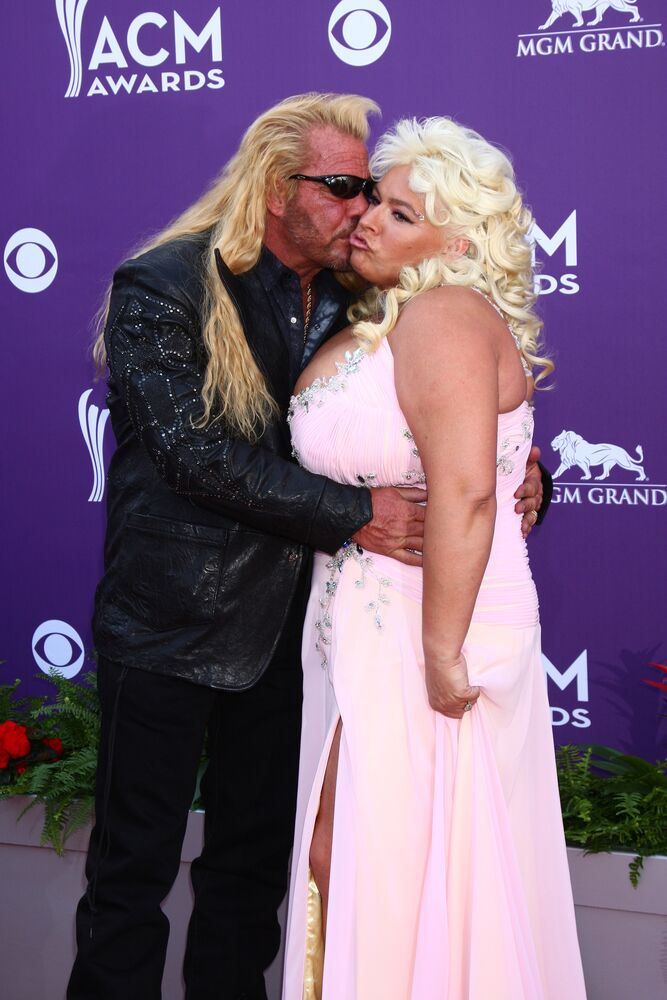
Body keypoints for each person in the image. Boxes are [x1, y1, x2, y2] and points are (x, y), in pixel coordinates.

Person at [68, 95, 545, 1000]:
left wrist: (526, 471)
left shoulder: (365, 288)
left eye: (370, 191)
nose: (360, 209)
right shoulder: (164, 284)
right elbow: (193, 453)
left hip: (300, 636)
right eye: (341, 187)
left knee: (253, 876)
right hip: (177, 621)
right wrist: (352, 513)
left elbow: (430, 412)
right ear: (273, 187)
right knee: (132, 874)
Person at [282, 117, 585, 1000]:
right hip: (367, 632)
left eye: (400, 212)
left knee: (398, 870)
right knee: (365, 865)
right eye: (373, 198)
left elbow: (465, 492)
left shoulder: (445, 314)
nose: (368, 218)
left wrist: (442, 652)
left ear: (456, 241)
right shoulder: (391, 318)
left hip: (427, 630)